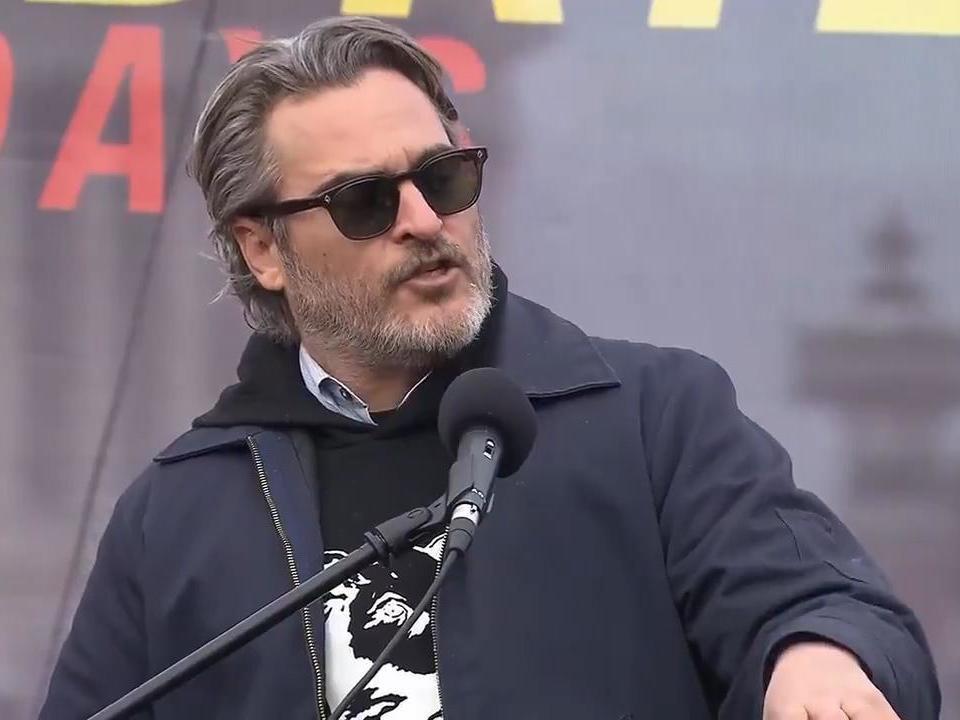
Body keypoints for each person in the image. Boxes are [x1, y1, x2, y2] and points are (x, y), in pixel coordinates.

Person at [40, 16, 939, 720]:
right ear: (263, 248)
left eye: (443, 178)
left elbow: (830, 606)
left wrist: (815, 655)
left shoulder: (653, 420)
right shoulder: (175, 514)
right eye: (365, 200)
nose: (423, 221)